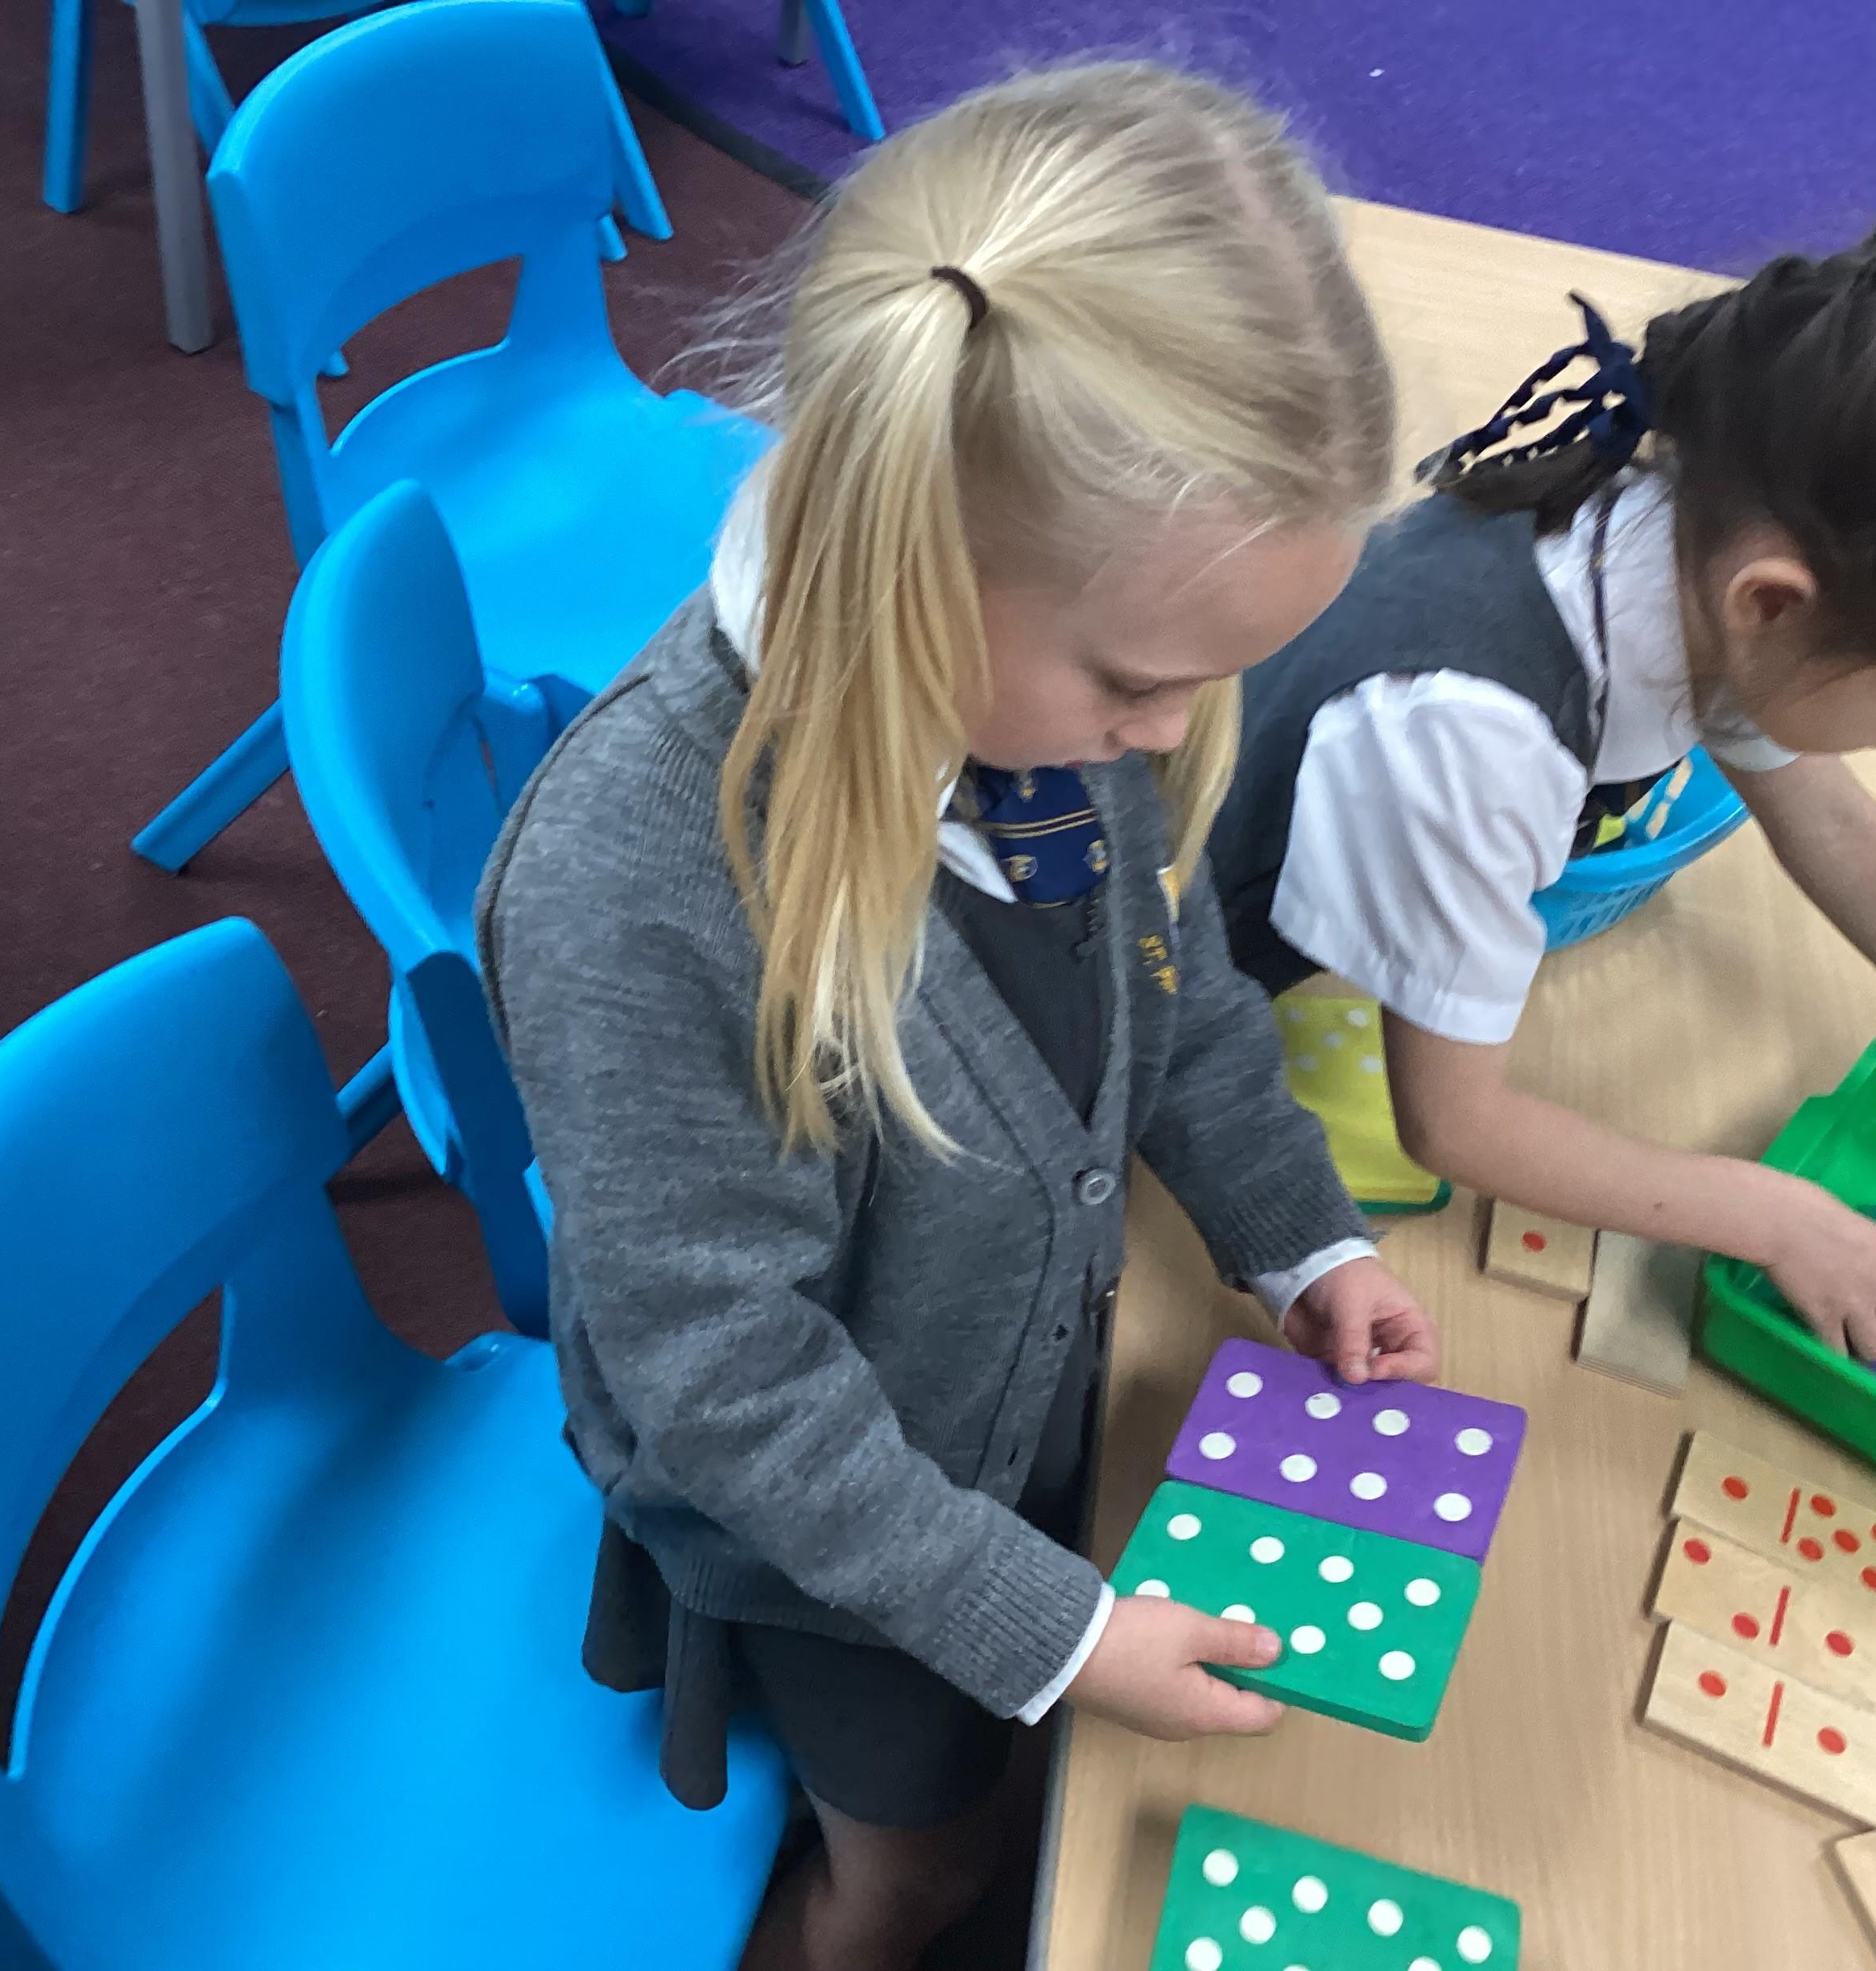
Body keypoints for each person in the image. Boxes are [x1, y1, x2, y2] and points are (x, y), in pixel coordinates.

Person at [478, 62, 1435, 1971]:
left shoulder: (1051, 703)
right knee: (929, 1871)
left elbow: (1174, 985)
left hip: (992, 1401)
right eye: (1145, 683)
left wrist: (1297, 1230)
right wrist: (1055, 1633)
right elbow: (732, 1388)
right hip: (816, 1537)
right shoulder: (640, 885)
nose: (1174, 737)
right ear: (912, 555)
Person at [1211, 225, 1876, 1364]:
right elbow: (1456, 1123)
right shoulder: (1474, 730)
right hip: (1162, 973)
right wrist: (1774, 1216)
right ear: (1773, 604)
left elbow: (1833, 826)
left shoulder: (1694, 546)